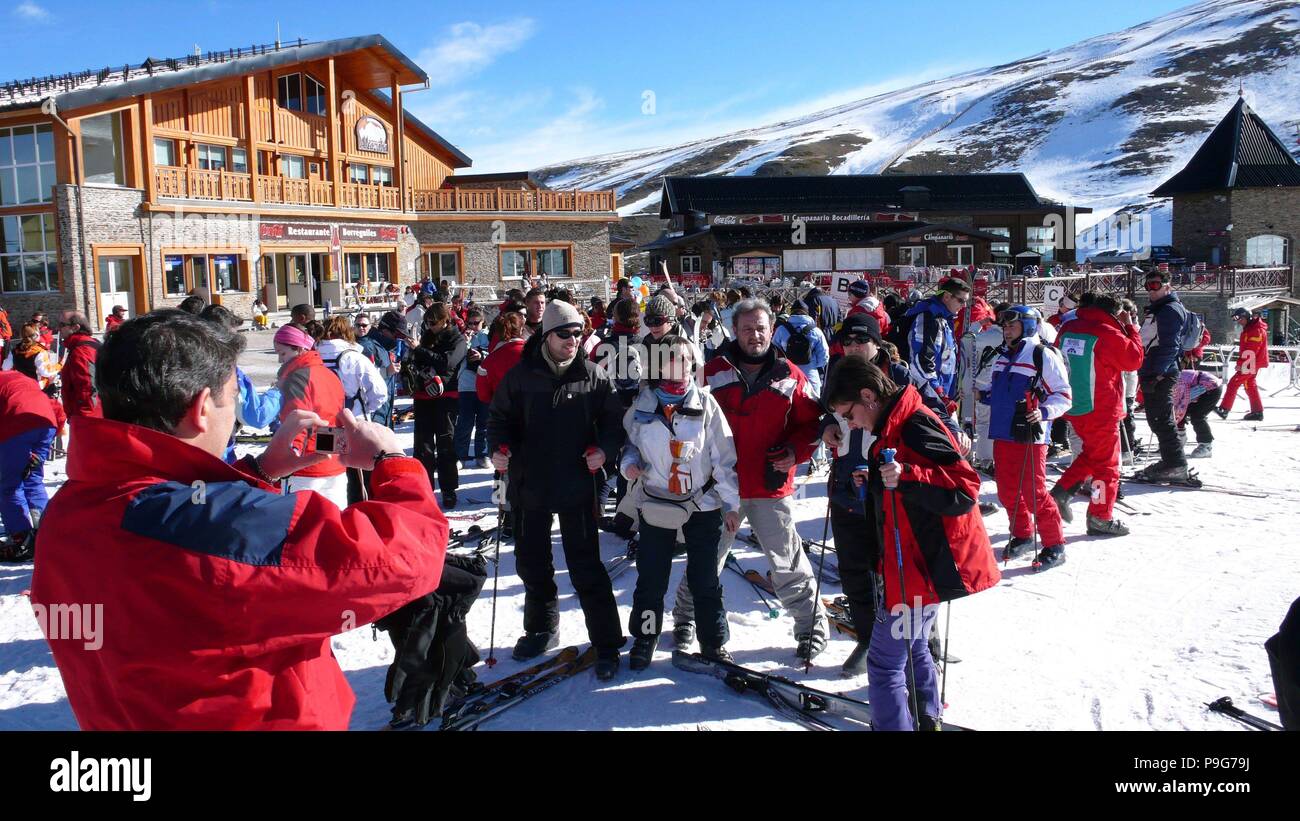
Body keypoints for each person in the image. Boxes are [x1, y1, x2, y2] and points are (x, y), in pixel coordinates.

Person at [30, 309, 450, 730]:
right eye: (231, 398)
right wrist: (391, 461)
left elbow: (185, 544)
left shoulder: (70, 508)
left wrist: (262, 471)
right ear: (200, 410)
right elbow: (404, 559)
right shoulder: (217, 526)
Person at [823, 357, 999, 731]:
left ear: (868, 396)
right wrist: (874, 478)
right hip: (917, 567)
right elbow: (902, 486)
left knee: (885, 662)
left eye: (849, 413)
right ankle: (926, 714)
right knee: (914, 645)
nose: (850, 423)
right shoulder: (894, 425)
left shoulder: (914, 424)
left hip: (922, 570)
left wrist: (905, 476)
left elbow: (965, 488)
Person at [671, 298, 829, 661]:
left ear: (771, 329)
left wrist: (795, 450)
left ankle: (810, 628)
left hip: (769, 485)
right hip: (720, 489)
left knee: (788, 562)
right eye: (746, 329)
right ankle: (685, 621)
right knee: (706, 559)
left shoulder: (791, 375)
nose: (754, 335)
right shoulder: (711, 371)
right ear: (735, 331)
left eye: (760, 328)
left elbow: (811, 424)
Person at [488, 300, 627, 680]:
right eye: (564, 333)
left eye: (578, 332)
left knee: (585, 564)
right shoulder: (520, 377)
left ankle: (606, 641)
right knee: (532, 562)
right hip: (528, 482)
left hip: (575, 481)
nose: (573, 339)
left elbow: (614, 423)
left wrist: (605, 450)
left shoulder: (595, 376)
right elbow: (498, 421)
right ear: (547, 335)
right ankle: (541, 628)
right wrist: (498, 451)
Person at [819, 313, 963, 675]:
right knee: (855, 570)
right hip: (847, 491)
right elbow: (819, 412)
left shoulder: (896, 378)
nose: (853, 348)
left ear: (876, 343)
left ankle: (924, 646)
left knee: (903, 574)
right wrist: (825, 426)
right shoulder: (837, 377)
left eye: (860, 341)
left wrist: (954, 431)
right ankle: (868, 639)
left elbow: (935, 413)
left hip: (891, 494)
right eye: (847, 343)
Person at [621, 335, 740, 669]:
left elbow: (724, 458)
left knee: (705, 579)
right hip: (656, 502)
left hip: (702, 504)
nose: (678, 366)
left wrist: (731, 504)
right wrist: (627, 464)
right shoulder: (643, 404)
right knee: (650, 578)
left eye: (685, 359)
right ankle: (646, 637)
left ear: (693, 363)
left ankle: (713, 643)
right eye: (671, 359)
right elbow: (629, 445)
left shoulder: (706, 403)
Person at [980, 305, 1072, 569]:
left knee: (1034, 492)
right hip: (1003, 431)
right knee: (1007, 492)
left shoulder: (1042, 354)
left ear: (1029, 327)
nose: (1007, 331)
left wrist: (1043, 412)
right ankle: (1021, 533)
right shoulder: (1003, 355)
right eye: (1005, 327)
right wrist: (985, 396)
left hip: (1029, 434)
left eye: (1013, 326)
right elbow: (1004, 390)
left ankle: (1054, 543)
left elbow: (1063, 395)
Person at [1049, 294, 1144, 537]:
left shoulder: (1069, 327)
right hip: (1101, 407)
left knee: (1093, 453)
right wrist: (1131, 326)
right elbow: (1133, 360)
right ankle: (1100, 517)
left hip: (1075, 404)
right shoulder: (1107, 332)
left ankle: (1062, 492)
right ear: (1113, 313)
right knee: (1108, 467)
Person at [273, 324, 348, 508]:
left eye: (282, 353)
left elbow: (297, 420)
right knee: (333, 527)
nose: (279, 360)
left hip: (306, 469)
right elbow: (335, 418)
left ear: (299, 349)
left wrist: (290, 454)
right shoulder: (330, 374)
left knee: (303, 530)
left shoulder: (297, 378)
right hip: (335, 463)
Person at [317, 315, 389, 503]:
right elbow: (380, 392)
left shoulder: (313, 357)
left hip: (324, 425)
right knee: (358, 479)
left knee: (329, 476)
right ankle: (360, 519)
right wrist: (366, 408)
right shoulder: (354, 358)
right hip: (353, 423)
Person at [198, 305, 283, 463]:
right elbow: (256, 416)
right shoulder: (231, 373)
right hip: (218, 458)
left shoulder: (180, 364)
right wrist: (278, 391)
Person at [403, 303, 466, 509]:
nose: (429, 326)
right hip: (423, 396)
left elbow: (447, 362)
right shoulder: (427, 335)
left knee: (445, 445)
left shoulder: (457, 338)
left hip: (445, 397)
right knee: (423, 447)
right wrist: (414, 361)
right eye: (427, 322)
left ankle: (448, 490)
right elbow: (416, 360)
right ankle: (424, 488)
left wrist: (419, 350)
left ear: (444, 320)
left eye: (433, 322)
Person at [1135, 271, 1190, 481]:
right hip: (1154, 370)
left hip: (1160, 373)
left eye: (1155, 285)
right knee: (1158, 419)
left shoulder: (1169, 310)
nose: (1150, 289)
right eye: (1147, 285)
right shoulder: (1160, 308)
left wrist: (1157, 374)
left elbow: (1170, 345)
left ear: (1168, 286)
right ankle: (1172, 462)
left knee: (1162, 419)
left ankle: (1175, 464)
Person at [0, 370, 57, 561]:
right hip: (46, 421)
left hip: (17, 424)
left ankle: (20, 540)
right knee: (33, 479)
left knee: (10, 486)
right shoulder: (20, 377)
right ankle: (46, 534)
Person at [903, 277, 970, 413]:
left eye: (966, 302)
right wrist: (939, 394)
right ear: (946, 297)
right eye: (961, 300)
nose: (963, 306)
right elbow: (921, 361)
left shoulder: (944, 319)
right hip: (928, 399)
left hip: (943, 398)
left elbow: (946, 359)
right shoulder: (930, 319)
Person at [1216, 307, 1269, 422]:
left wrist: (1241, 363)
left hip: (1251, 362)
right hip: (1252, 362)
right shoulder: (1250, 328)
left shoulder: (1255, 330)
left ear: (1246, 317)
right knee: (1250, 385)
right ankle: (1257, 412)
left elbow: (1251, 350)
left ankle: (1224, 409)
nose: (1238, 321)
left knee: (1233, 383)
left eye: (1240, 319)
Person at [358, 310, 408, 427]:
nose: (399, 340)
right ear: (385, 330)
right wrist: (386, 372)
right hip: (373, 414)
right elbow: (361, 379)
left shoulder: (385, 347)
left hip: (385, 411)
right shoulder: (367, 346)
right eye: (397, 336)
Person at [455, 308, 490, 469]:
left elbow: (495, 355)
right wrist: (465, 342)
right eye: (470, 323)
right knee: (465, 422)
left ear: (483, 323)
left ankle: (482, 454)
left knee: (484, 422)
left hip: (484, 383)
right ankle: (460, 455)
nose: (473, 326)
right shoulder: (461, 336)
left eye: (477, 323)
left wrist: (482, 355)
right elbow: (455, 357)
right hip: (467, 384)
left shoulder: (488, 336)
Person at [772, 301, 830, 394]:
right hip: (810, 376)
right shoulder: (816, 331)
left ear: (791, 312)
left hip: (786, 376)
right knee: (811, 405)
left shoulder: (781, 329)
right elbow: (824, 356)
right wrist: (813, 364)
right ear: (807, 313)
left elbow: (773, 351)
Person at [477, 311, 527, 408]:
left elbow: (483, 395)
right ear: (521, 330)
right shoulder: (533, 353)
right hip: (530, 410)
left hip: (503, 411)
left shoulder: (489, 360)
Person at [56, 311, 101, 422]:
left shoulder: (81, 351)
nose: (58, 328)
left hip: (87, 419)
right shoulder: (83, 344)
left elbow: (88, 389)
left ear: (75, 327)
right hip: (88, 415)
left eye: (62, 325)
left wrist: (82, 419)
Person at [1173, 366, 1221, 459]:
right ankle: (1178, 439)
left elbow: (1180, 405)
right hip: (1200, 387)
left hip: (1212, 388)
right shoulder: (1172, 380)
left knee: (1197, 416)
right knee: (1180, 411)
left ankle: (1206, 445)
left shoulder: (1177, 383)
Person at [10, 323, 60, 389]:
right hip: (35, 387)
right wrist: (60, 365)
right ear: (36, 335)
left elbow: (5, 367)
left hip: (19, 385)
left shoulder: (14, 351)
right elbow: (46, 372)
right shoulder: (39, 351)